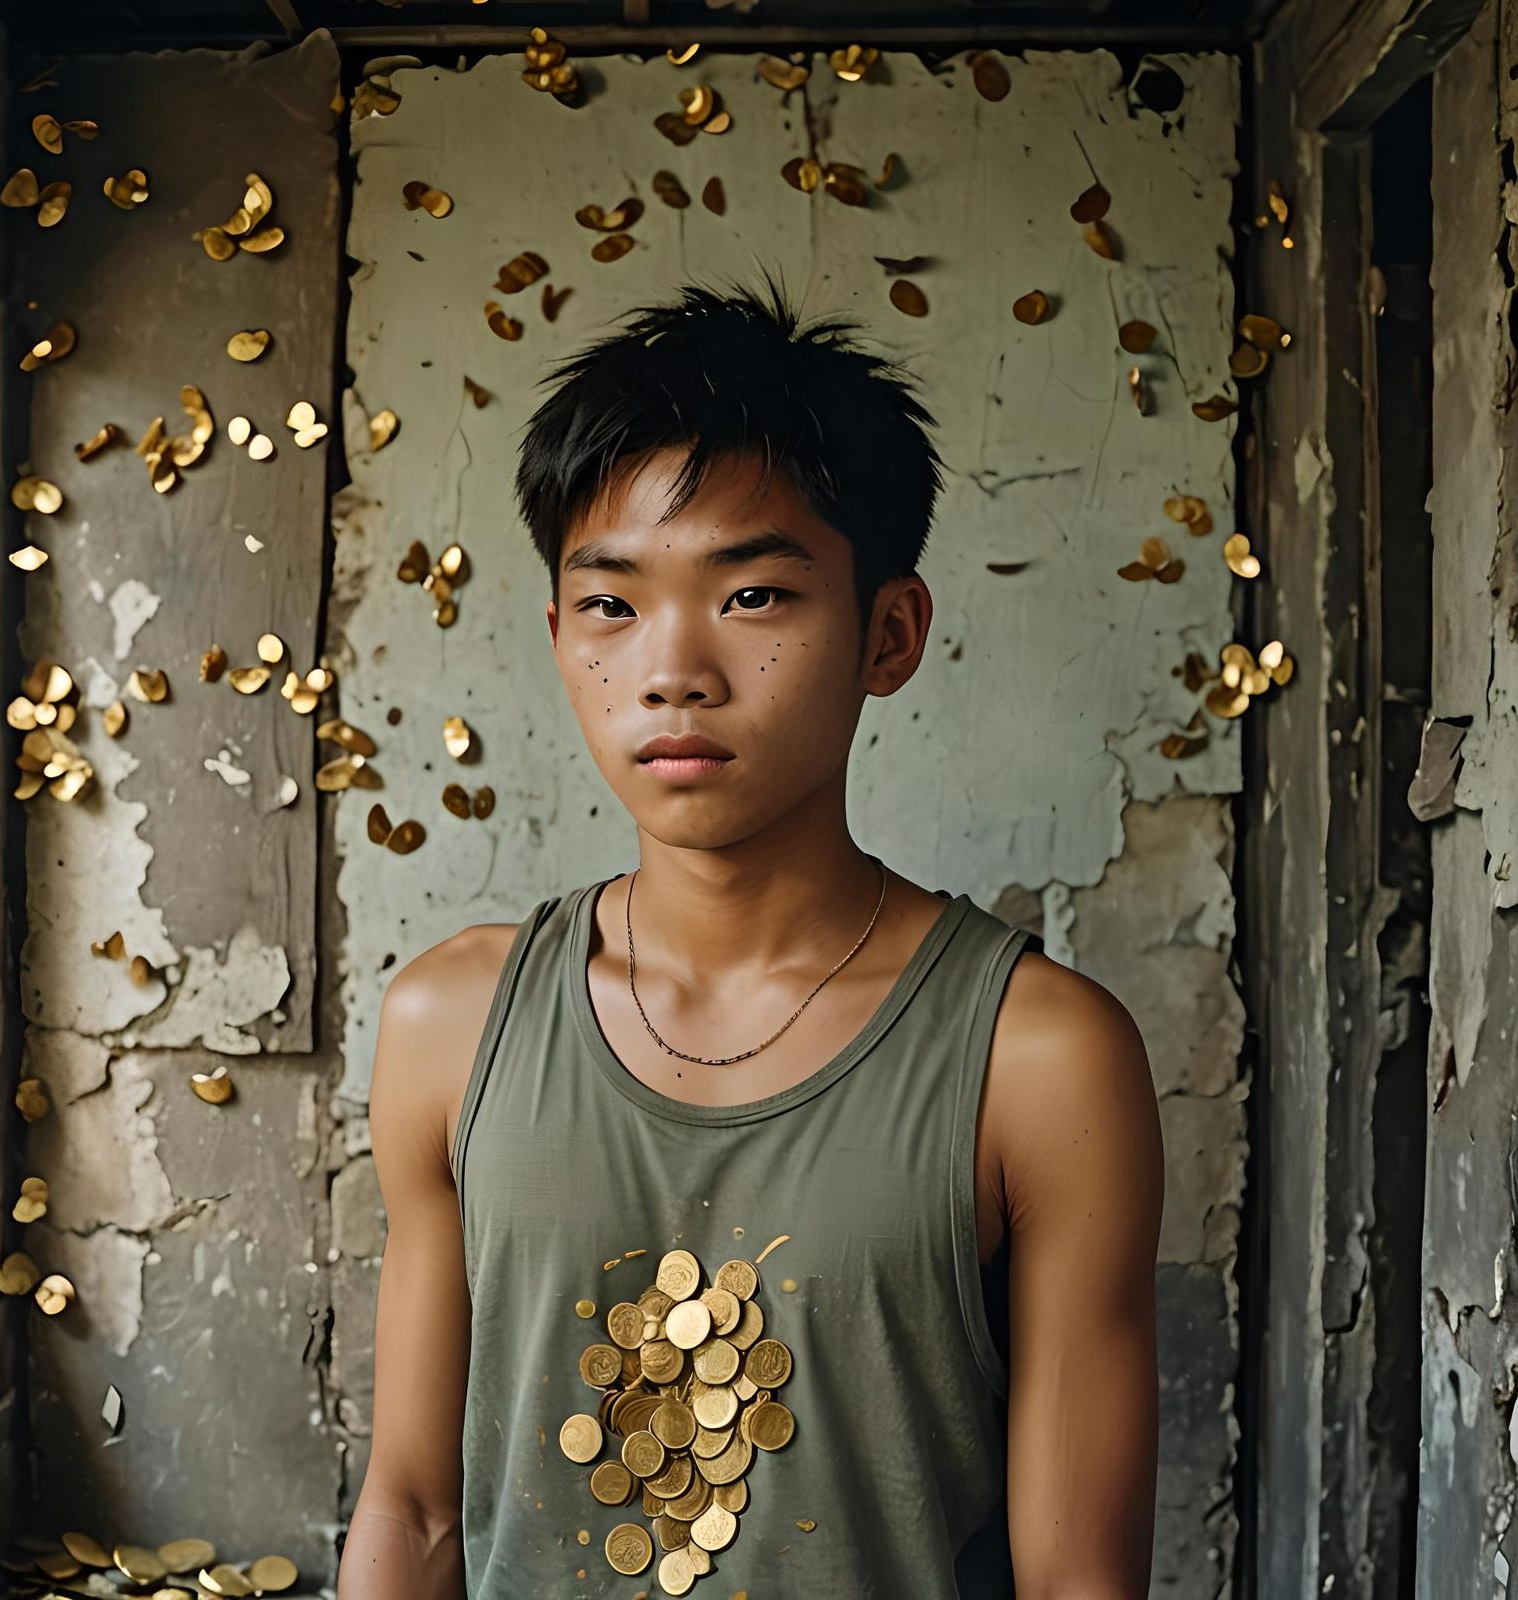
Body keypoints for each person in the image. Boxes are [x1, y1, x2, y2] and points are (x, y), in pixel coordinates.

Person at [336, 273, 1163, 1600]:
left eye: (755, 597)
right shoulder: (450, 1025)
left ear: (888, 634)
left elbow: (1078, 1580)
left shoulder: (1041, 1058)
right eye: (612, 604)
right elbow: (419, 1510)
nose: (672, 668)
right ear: (560, 640)